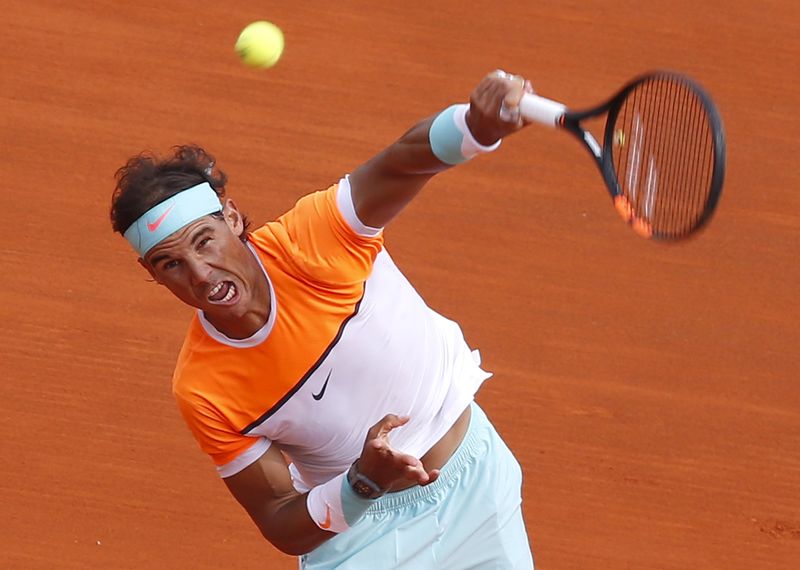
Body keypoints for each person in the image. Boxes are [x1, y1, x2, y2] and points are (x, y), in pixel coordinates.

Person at [111, 70, 535, 569]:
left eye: (204, 241)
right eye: (171, 264)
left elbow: (404, 161)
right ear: (151, 274)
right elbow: (278, 519)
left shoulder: (314, 239)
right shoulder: (205, 387)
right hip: (366, 540)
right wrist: (363, 482)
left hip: (479, 483)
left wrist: (474, 127)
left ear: (231, 217)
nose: (200, 275)